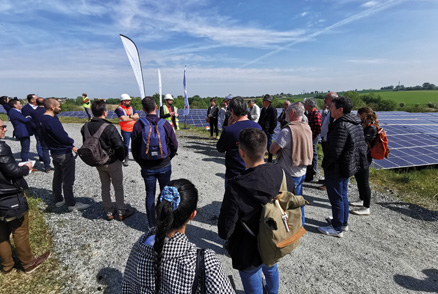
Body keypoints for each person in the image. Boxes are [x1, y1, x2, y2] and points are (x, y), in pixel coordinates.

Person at [218, 128, 296, 294]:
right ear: (266, 148)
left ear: (242, 152)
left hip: (249, 250)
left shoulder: (236, 186)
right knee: (270, 266)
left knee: (252, 276)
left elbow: (225, 231)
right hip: (274, 239)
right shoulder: (282, 174)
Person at [122, 179, 235, 293]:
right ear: (192, 215)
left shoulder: (140, 245)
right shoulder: (206, 263)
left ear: (159, 208)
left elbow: (127, 287)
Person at [0, 119, 51, 274]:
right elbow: (13, 172)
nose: (5, 130)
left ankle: (7, 265)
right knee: (19, 231)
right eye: (2, 127)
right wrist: (26, 168)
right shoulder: (1, 147)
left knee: (1, 234)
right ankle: (28, 263)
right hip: (8, 196)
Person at [318, 96, 368, 237]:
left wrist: (325, 164)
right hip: (348, 166)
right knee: (342, 195)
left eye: (332, 107)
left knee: (336, 198)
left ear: (340, 110)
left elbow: (335, 151)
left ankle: (337, 227)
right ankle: (343, 222)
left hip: (337, 167)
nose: (329, 110)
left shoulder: (341, 125)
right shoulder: (354, 122)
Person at [81, 100, 136, 221]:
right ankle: (121, 211)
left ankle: (109, 212)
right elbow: (120, 146)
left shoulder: (85, 127)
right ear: (104, 112)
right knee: (118, 186)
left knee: (104, 186)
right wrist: (121, 158)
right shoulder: (109, 127)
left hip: (97, 161)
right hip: (112, 161)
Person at [131, 97, 178, 229]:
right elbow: (174, 145)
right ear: (156, 107)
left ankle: (152, 225)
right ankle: (166, 222)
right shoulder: (165, 124)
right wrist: (168, 158)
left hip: (147, 167)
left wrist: (141, 162)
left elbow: (134, 148)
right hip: (164, 165)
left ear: (143, 109)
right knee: (166, 193)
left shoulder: (138, 125)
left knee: (150, 194)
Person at [39, 98, 90, 211]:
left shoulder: (42, 119)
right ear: (52, 107)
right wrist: (70, 142)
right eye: (58, 106)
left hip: (55, 152)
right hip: (63, 153)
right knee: (68, 180)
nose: (60, 107)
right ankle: (71, 204)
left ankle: (58, 199)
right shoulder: (50, 121)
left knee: (57, 176)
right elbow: (61, 136)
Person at [217, 97, 262, 187]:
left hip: (234, 174)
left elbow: (220, 148)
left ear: (232, 111)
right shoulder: (258, 127)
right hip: (253, 173)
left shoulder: (229, 130)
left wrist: (228, 127)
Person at [270, 102, 313, 197]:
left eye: (287, 110)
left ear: (292, 112)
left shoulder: (287, 131)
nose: (285, 112)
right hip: (302, 171)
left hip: (289, 174)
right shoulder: (307, 127)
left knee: (287, 205)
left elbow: (272, 150)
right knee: (298, 203)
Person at [350, 107, 378, 216]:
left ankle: (366, 207)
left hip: (365, 158)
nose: (357, 117)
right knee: (359, 179)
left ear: (364, 115)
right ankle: (361, 199)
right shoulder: (366, 125)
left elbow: (362, 140)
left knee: (364, 182)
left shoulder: (372, 128)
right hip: (360, 156)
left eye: (358, 115)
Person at [319, 92, 338, 190]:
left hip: (329, 141)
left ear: (331, 100)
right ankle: (327, 179)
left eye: (326, 98)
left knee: (330, 163)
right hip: (325, 140)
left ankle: (328, 183)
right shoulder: (329, 111)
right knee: (326, 161)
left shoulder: (335, 112)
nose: (324, 100)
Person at [115, 93, 139, 167]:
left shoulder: (131, 108)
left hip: (133, 129)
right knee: (126, 145)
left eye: (129, 100)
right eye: (127, 101)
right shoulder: (119, 109)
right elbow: (123, 119)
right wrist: (132, 117)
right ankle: (126, 158)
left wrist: (129, 116)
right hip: (125, 130)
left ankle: (136, 157)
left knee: (135, 144)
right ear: (123, 101)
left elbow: (137, 116)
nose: (129, 102)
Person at [30, 97, 52, 172]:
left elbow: (31, 122)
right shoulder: (48, 111)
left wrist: (37, 128)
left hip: (39, 131)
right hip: (49, 132)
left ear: (36, 102)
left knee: (44, 148)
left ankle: (47, 166)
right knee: (54, 148)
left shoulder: (33, 112)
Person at [304, 97, 322, 181]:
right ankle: (311, 170)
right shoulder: (309, 113)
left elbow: (318, 127)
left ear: (310, 105)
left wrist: (312, 137)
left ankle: (314, 170)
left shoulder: (316, 114)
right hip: (310, 136)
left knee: (313, 153)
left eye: (306, 104)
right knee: (310, 153)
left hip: (313, 136)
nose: (304, 105)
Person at [258, 94, 278, 163]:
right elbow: (260, 120)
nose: (262, 102)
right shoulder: (263, 109)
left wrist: (269, 130)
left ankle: (270, 160)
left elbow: (274, 122)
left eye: (264, 101)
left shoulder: (272, 109)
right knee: (262, 146)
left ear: (268, 102)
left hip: (269, 132)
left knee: (269, 146)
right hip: (262, 131)